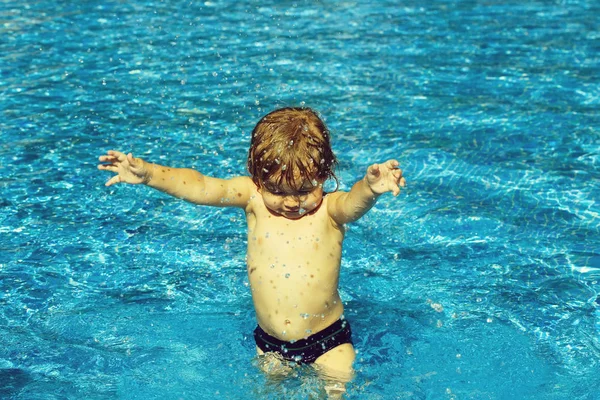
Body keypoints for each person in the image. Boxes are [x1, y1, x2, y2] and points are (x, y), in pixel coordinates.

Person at [97, 107, 405, 396]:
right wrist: (150, 174)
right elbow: (202, 186)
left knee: (335, 392)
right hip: (270, 345)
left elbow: (354, 204)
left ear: (324, 176)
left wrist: (370, 188)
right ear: (258, 179)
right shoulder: (252, 198)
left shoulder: (329, 208)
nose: (291, 202)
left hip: (328, 343)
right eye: (278, 191)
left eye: (303, 190)